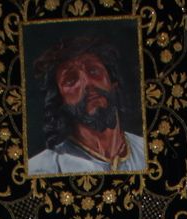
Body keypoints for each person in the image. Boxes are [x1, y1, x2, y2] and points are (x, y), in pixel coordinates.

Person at [26, 36, 148, 175]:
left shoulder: (148, 152)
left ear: (113, 83)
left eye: (93, 71)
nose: (87, 83)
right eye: (71, 80)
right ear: (60, 101)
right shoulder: (41, 169)